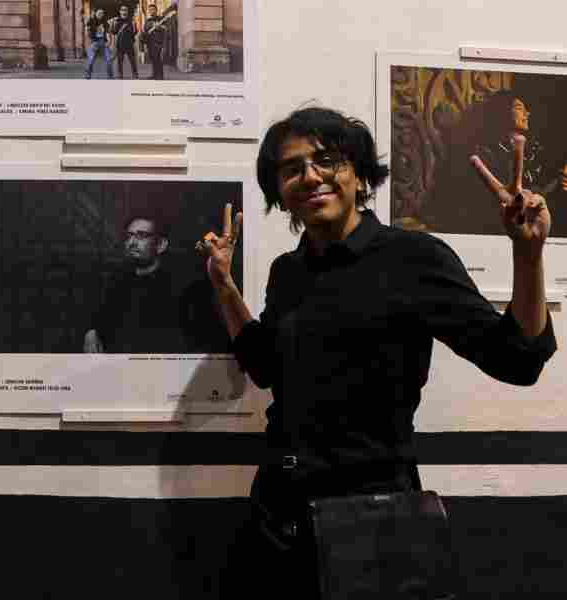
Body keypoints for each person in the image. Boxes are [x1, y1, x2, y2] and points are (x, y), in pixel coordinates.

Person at [199, 107, 556, 597]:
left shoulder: (412, 258)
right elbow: (264, 366)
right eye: (292, 169)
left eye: (327, 160)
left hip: (374, 517)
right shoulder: (290, 272)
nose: (310, 176)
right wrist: (224, 286)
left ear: (359, 172)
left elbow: (517, 359)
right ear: (279, 191)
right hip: (279, 513)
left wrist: (528, 254)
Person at [424, 90, 549, 235]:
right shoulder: (485, 152)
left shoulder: (534, 150)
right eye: (519, 108)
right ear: (502, 112)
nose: (527, 114)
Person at [84, 215, 188, 353]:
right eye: (129, 236)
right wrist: (91, 332)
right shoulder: (116, 280)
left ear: (161, 245)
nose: (131, 242)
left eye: (141, 236)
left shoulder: (177, 287)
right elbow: (100, 316)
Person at [83, 8, 114, 80]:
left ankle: (110, 76)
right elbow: (87, 32)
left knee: (109, 60)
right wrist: (89, 42)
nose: (101, 14)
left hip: (103, 42)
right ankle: (88, 74)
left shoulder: (105, 22)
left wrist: (109, 42)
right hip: (94, 42)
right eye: (99, 13)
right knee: (91, 60)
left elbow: (108, 33)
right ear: (95, 13)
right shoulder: (90, 21)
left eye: (102, 13)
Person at [110, 5, 139, 80]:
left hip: (129, 44)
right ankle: (120, 75)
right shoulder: (116, 21)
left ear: (127, 12)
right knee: (120, 61)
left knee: (132, 61)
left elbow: (135, 32)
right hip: (120, 44)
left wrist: (133, 29)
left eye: (125, 10)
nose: (124, 11)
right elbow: (113, 32)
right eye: (122, 10)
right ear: (120, 12)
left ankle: (135, 74)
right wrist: (112, 24)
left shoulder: (131, 21)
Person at [140, 4, 166, 80]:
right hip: (150, 43)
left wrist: (159, 27)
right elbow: (145, 32)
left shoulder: (161, 19)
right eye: (150, 10)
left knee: (158, 59)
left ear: (156, 10)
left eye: (153, 9)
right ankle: (154, 74)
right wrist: (143, 41)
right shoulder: (147, 21)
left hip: (159, 42)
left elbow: (166, 28)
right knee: (153, 59)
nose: (151, 11)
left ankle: (160, 76)